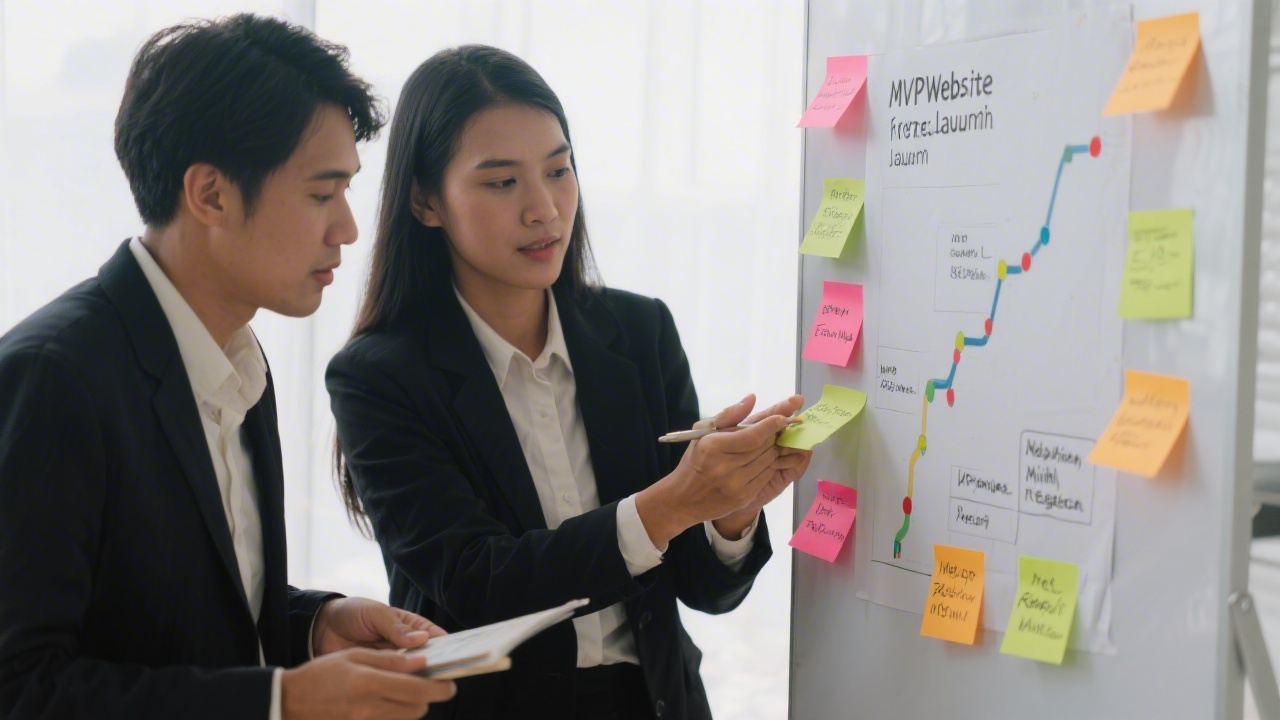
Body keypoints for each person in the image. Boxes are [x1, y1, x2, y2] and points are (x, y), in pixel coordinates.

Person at [327, 44, 811, 720]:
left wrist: (731, 507)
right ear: (425, 200)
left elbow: (706, 591)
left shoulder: (639, 332)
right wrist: (673, 502)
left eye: (559, 171)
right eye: (502, 182)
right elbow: (477, 580)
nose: (545, 210)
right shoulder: (379, 376)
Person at [0, 15, 456, 720]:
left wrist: (310, 626)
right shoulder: (57, 377)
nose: (348, 228)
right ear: (210, 194)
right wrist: (281, 700)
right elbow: (20, 688)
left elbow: (182, 614)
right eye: (320, 193)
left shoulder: (240, 361)